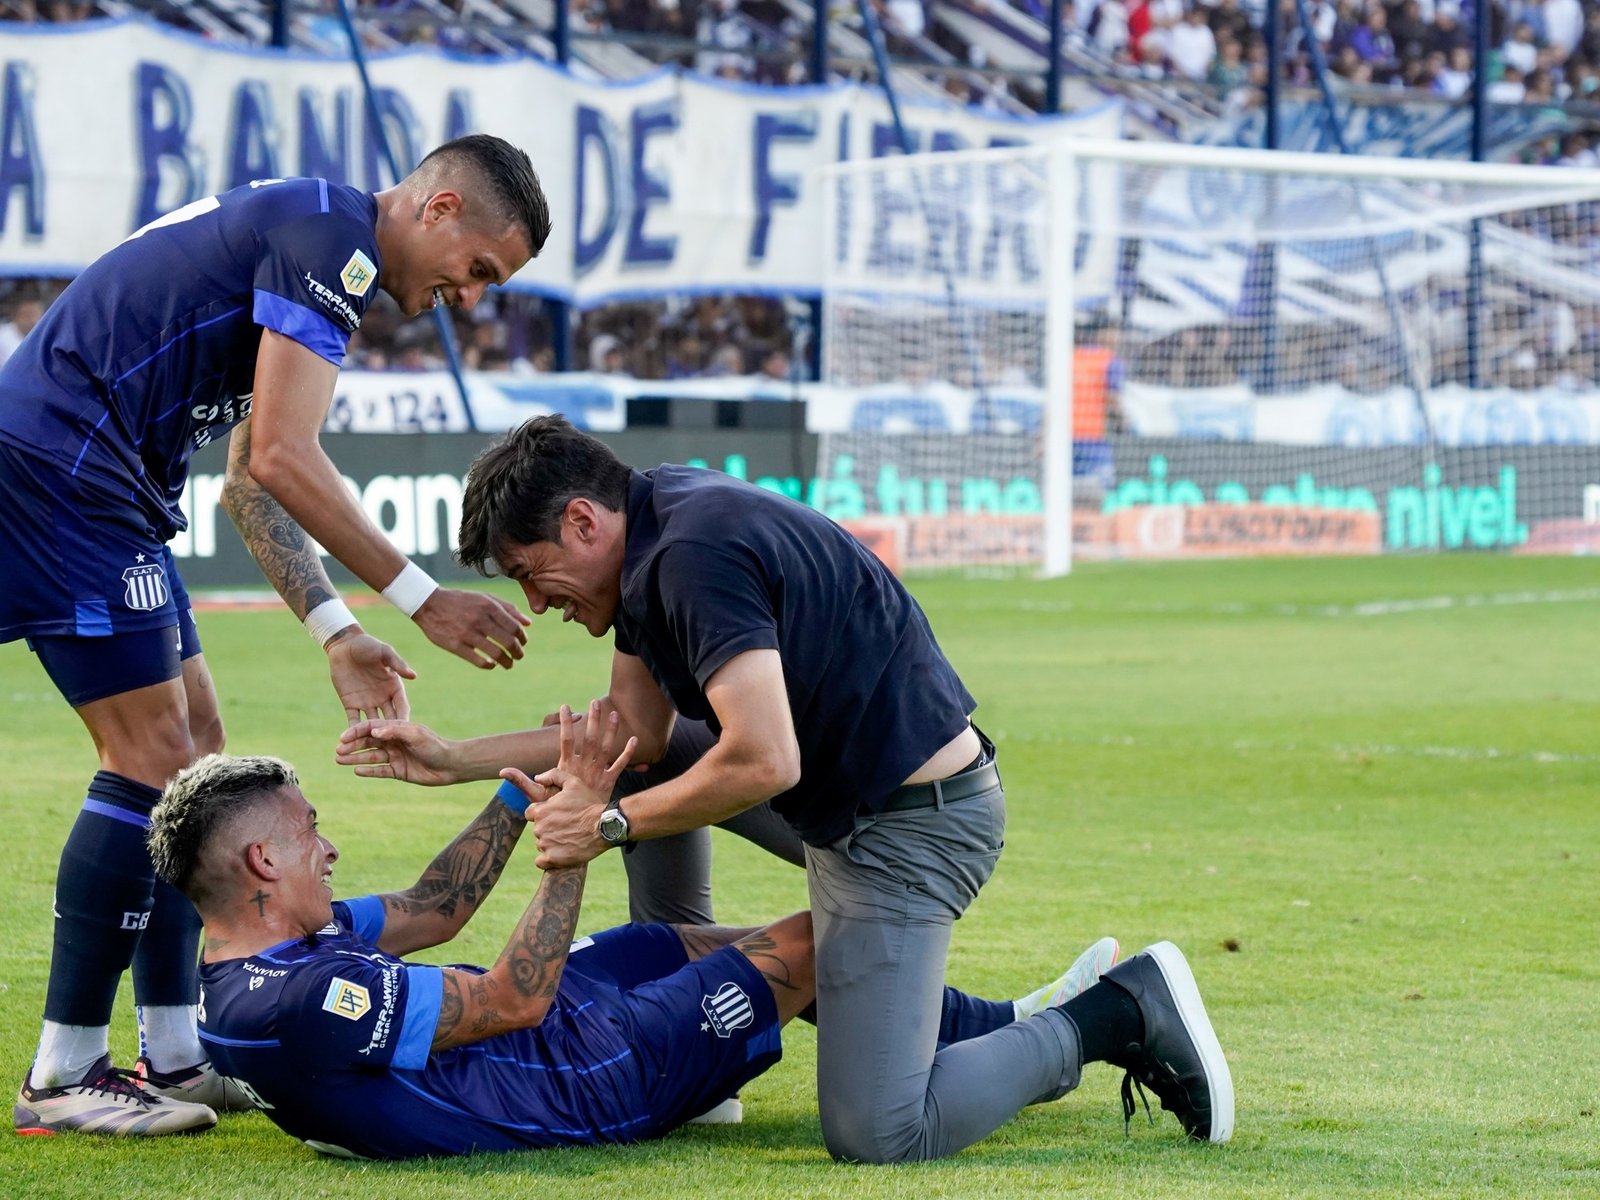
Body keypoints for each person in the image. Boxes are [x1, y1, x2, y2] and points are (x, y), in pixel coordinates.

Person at [337, 416, 1234, 1162]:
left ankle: (1114, 1012)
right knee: (641, 761)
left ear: (581, 521)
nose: (537, 604)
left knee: (879, 1129)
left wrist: (606, 826)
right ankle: (703, 1053)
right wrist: (449, 756)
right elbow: (634, 735)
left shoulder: (689, 556)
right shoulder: (652, 527)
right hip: (855, 797)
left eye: (532, 573)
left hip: (913, 826)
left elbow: (765, 762)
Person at [4, 134, 549, 1136]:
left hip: (110, 483)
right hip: (60, 468)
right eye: (477, 270)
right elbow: (292, 458)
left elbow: (251, 471)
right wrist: (423, 599)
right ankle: (62, 1070)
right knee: (154, 757)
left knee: (196, 754)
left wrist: (336, 628)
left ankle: (172, 1054)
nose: (469, 297)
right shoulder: (330, 243)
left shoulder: (313, 232)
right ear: (435, 211)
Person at [140, 715, 1131, 1160]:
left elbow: (435, 909)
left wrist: (513, 799)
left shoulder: (255, 956)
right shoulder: (302, 1001)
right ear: (265, 867)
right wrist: (571, 843)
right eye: (310, 835)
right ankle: (1085, 1028)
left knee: (673, 944)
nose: (331, 847)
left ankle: (998, 1021)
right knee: (836, 934)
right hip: (579, 1078)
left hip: (545, 1035)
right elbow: (510, 1003)